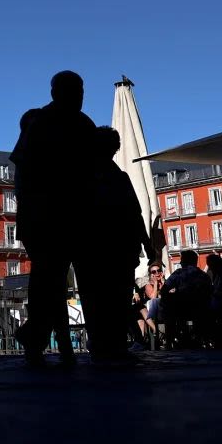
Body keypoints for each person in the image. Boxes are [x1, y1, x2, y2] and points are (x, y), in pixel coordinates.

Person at [10, 71, 95, 366]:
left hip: (64, 214)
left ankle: (39, 336)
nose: (79, 94)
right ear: (56, 91)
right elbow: (25, 171)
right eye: (73, 89)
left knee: (53, 280)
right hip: (49, 215)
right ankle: (47, 338)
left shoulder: (82, 123)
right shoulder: (42, 123)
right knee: (50, 279)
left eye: (81, 89)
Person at [82, 127, 155, 362]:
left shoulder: (85, 178)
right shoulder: (120, 178)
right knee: (118, 297)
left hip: (96, 248)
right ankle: (114, 344)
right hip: (123, 248)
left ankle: (102, 343)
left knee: (98, 298)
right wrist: (146, 243)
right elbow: (136, 213)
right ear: (115, 149)